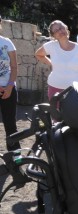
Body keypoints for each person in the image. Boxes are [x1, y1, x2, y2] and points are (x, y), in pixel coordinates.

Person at [35, 20, 78, 101]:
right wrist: (51, 63)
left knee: (75, 113)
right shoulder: (51, 46)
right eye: (56, 30)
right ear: (53, 36)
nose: (60, 31)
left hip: (76, 90)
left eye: (61, 28)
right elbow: (38, 54)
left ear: (66, 28)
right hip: (55, 89)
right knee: (56, 113)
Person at [0, 17, 21, 151]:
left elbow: (14, 67)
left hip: (8, 89)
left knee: (10, 125)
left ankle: (16, 158)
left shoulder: (7, 42)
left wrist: (10, 86)